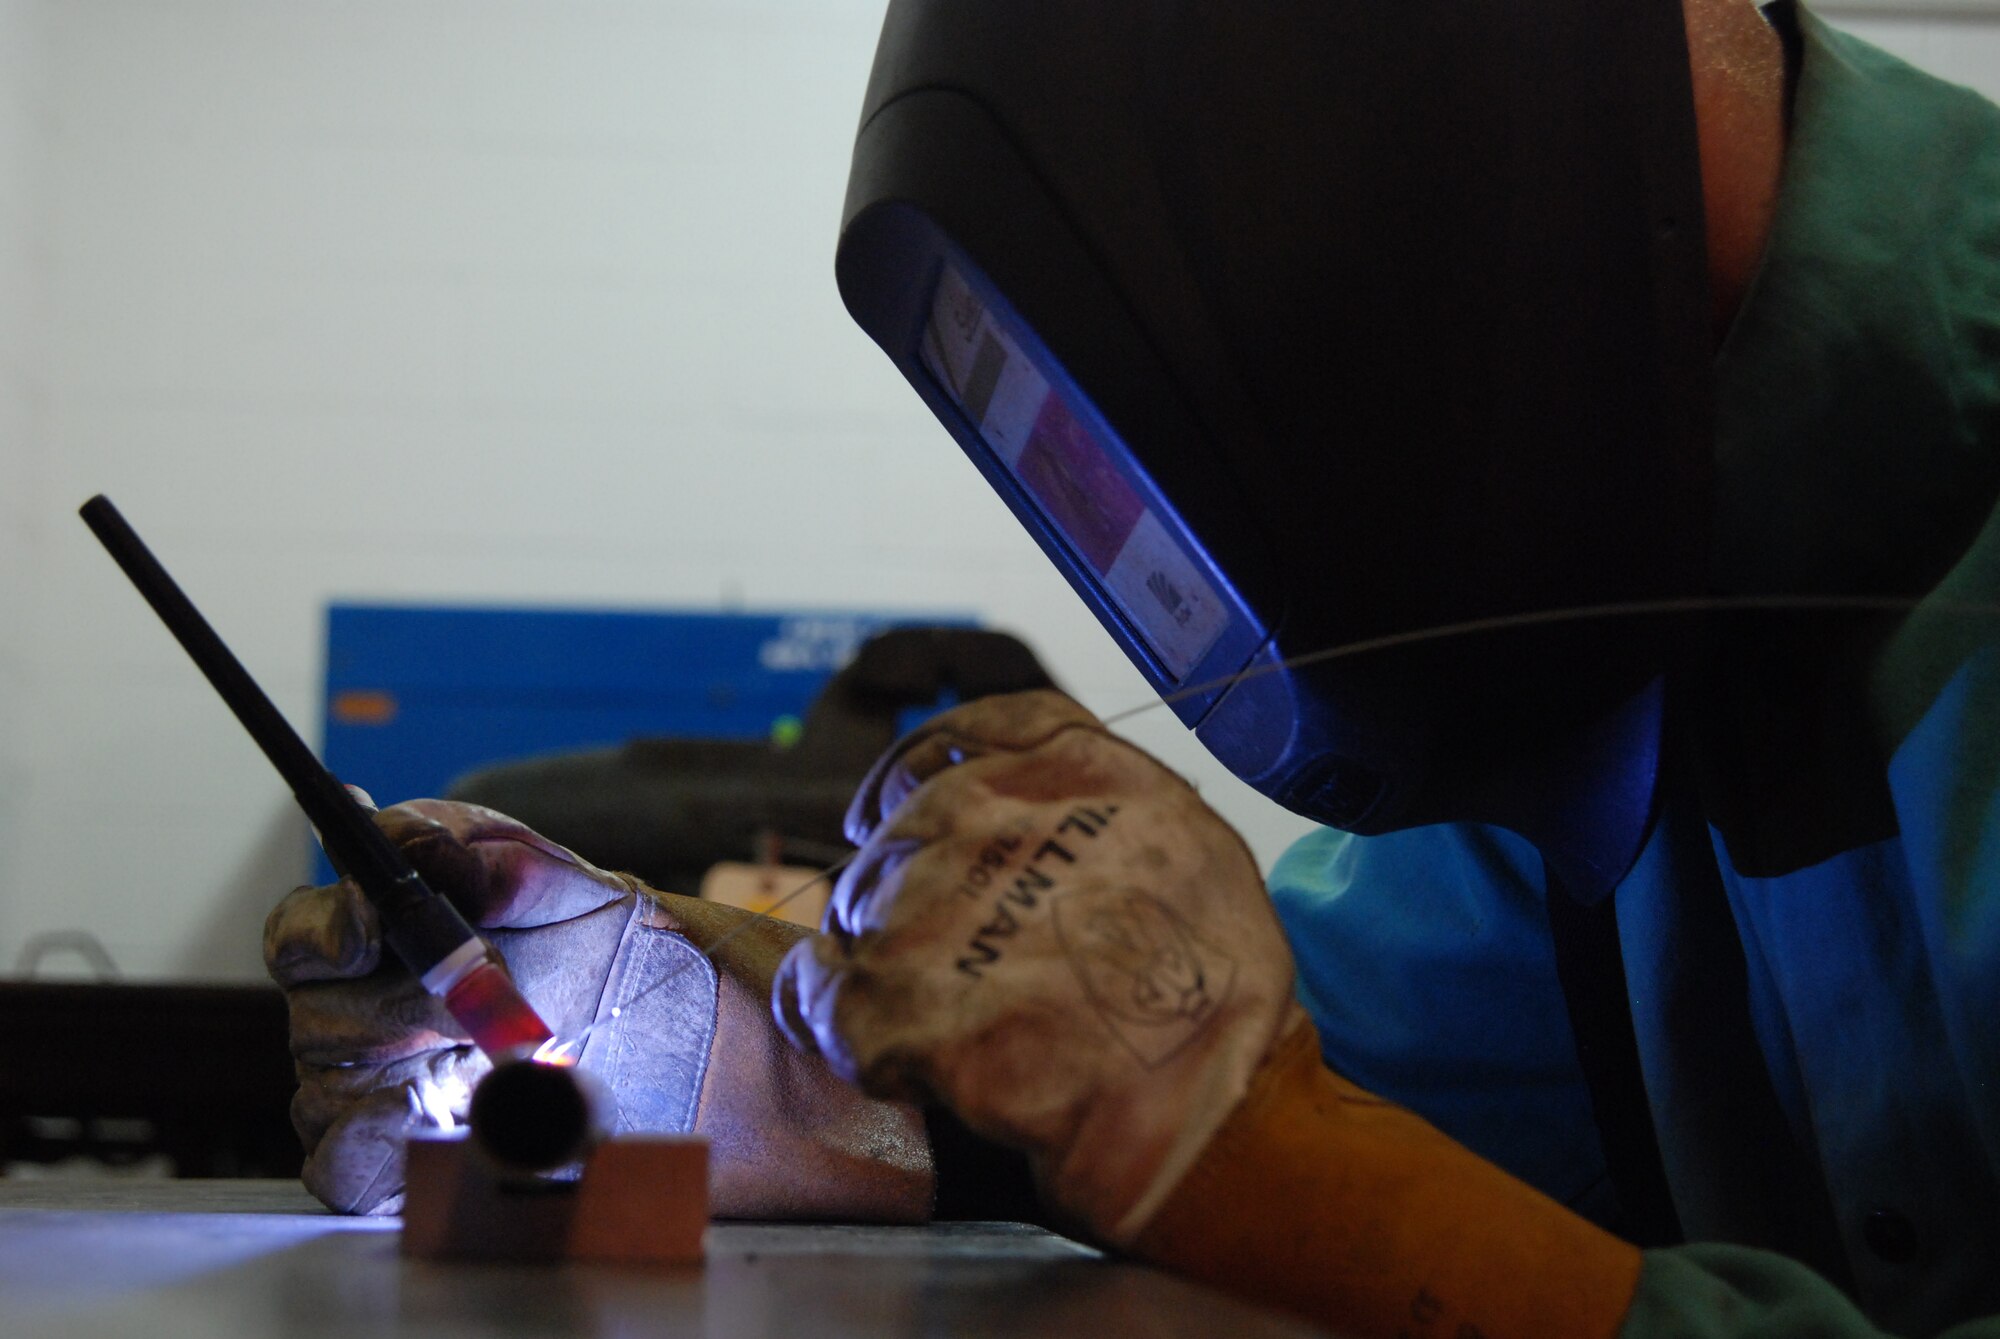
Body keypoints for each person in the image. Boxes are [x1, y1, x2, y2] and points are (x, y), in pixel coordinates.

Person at [265, 0, 2000, 1334]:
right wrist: (718, 1058)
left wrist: (1327, 1190)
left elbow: (1299, 1149)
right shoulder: (1603, 665)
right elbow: (1309, 1068)